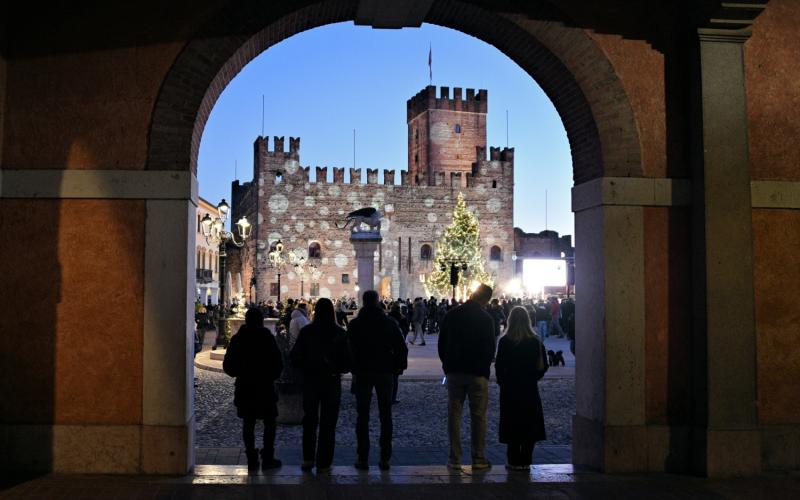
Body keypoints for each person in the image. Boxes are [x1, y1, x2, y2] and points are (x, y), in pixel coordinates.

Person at [347, 290, 408, 470]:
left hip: (363, 372)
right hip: (385, 372)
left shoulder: (356, 324)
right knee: (385, 415)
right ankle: (385, 458)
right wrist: (398, 367)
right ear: (378, 301)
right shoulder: (389, 323)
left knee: (362, 416)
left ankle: (363, 458)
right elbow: (401, 348)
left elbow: (349, 349)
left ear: (364, 302)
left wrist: (354, 369)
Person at [438, 284, 496, 470]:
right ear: (485, 300)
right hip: (477, 374)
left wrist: (447, 366)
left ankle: (454, 458)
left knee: (454, 415)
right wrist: (484, 366)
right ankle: (478, 458)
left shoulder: (452, 315)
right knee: (478, 416)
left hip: (454, 371)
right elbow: (490, 347)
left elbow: (442, 344)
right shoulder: (486, 318)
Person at [290, 298, 349, 473]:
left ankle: (308, 458)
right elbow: (347, 363)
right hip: (331, 381)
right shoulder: (340, 333)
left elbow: (295, 357)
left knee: (309, 420)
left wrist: (307, 366)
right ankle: (324, 461)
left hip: (311, 380)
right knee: (328, 423)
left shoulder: (308, 332)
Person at [222, 308, 283, 472]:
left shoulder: (238, 339)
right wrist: (271, 376)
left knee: (248, 423)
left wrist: (240, 373)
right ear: (261, 321)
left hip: (245, 387)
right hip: (265, 387)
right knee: (270, 422)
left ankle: (251, 458)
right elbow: (278, 362)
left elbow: (228, 365)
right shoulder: (267, 337)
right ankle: (268, 457)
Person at [495, 306, 549, 470]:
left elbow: (499, 366)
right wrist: (533, 378)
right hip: (529, 388)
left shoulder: (505, 342)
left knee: (512, 422)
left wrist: (503, 382)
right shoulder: (535, 341)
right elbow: (543, 366)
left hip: (510, 389)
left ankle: (513, 460)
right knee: (529, 423)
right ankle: (526, 459)